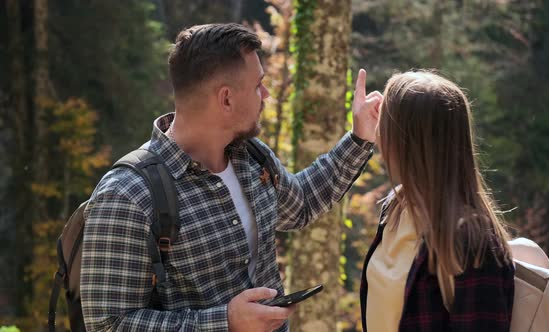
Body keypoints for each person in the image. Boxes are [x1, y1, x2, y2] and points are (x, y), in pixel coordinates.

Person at [80, 23, 382, 332]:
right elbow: (107, 324)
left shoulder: (251, 158)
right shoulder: (126, 195)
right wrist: (224, 322)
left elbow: (302, 203)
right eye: (258, 86)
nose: (266, 95)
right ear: (226, 99)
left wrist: (360, 137)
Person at [360, 71, 515, 332]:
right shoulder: (397, 205)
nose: (377, 130)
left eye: (385, 120)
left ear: (409, 140)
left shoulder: (471, 242)